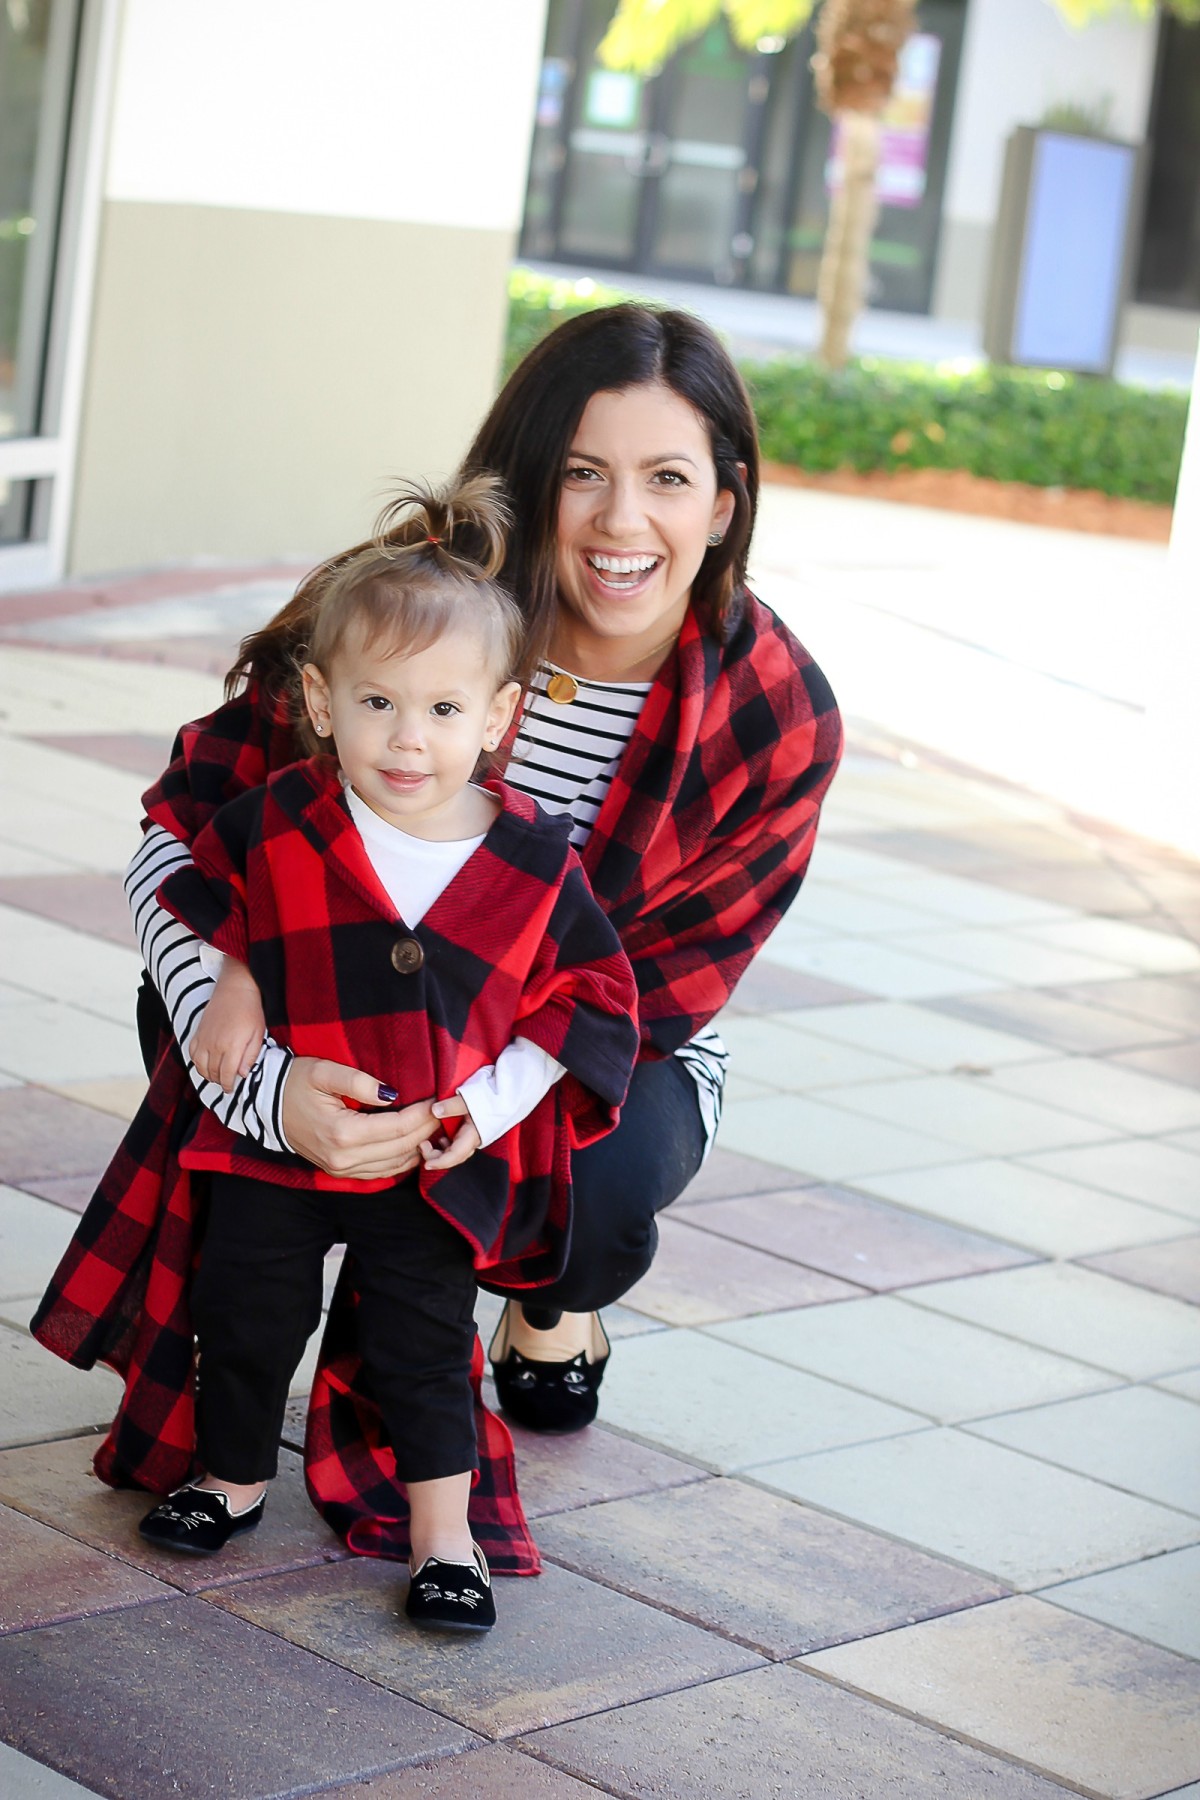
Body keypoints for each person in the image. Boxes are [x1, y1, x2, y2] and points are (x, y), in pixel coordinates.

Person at [34, 302, 841, 1568]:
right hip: (320, 1010)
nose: (622, 522)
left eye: (668, 480)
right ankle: (276, 1332)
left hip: (560, 1041)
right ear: (532, 472)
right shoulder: (409, 609)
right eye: (583, 473)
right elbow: (190, 831)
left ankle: (545, 1312)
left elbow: (671, 981)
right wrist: (269, 1075)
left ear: (726, 504)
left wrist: (460, 1109)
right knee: (183, 1019)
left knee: (604, 1190)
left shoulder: (775, 710)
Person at [74, 477, 639, 1632]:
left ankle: (445, 1537)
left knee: (421, 1348)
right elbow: (214, 890)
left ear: (498, 718)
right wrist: (235, 982)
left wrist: (483, 1112)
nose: (407, 738)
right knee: (246, 1312)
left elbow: (585, 1002)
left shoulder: (531, 861)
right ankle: (229, 1476)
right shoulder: (285, 812)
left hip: (429, 1159)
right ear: (322, 703)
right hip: (283, 1145)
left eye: (442, 711)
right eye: (379, 703)